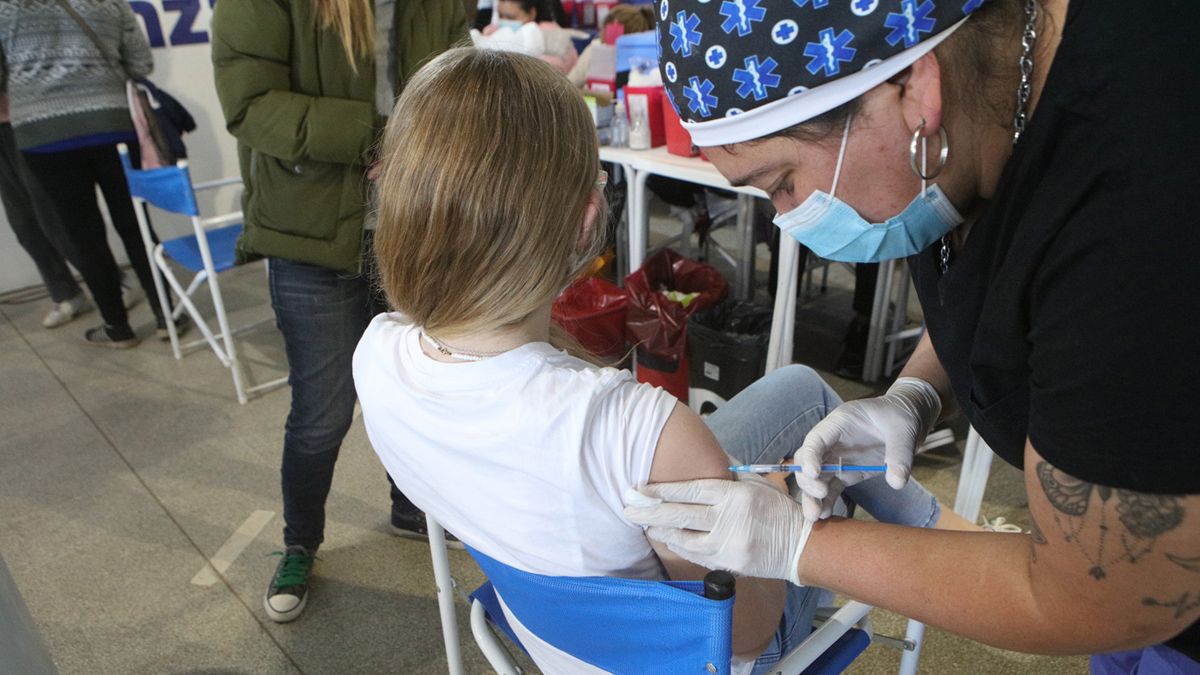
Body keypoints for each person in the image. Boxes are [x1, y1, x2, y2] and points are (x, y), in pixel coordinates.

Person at [354, 48, 976, 674]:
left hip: (554, 635)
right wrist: (781, 510)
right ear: (585, 222)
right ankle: (950, 545)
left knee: (800, 392)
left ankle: (937, 527)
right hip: (686, 657)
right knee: (815, 448)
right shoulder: (639, 428)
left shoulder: (376, 350)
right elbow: (746, 636)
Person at [624, 1, 1200, 672]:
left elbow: (1104, 594)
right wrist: (918, 390)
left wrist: (798, 545)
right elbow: (1000, 283)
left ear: (915, 90)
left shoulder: (1140, 205)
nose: (787, 219)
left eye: (782, 183)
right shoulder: (961, 132)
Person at [211, 0, 466, 624]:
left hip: (411, 228)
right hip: (311, 229)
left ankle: (411, 509)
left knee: (422, 389)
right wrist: (376, 137)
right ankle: (300, 543)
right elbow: (249, 104)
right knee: (323, 411)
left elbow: (458, 83)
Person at [0, 0, 178, 348]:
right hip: (112, 122)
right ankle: (167, 316)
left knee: (83, 233)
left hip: (44, 134)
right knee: (135, 223)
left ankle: (117, 327)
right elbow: (141, 62)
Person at [0, 93, 92, 329]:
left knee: (52, 213)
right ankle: (65, 293)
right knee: (23, 223)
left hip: (23, 120)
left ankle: (110, 280)